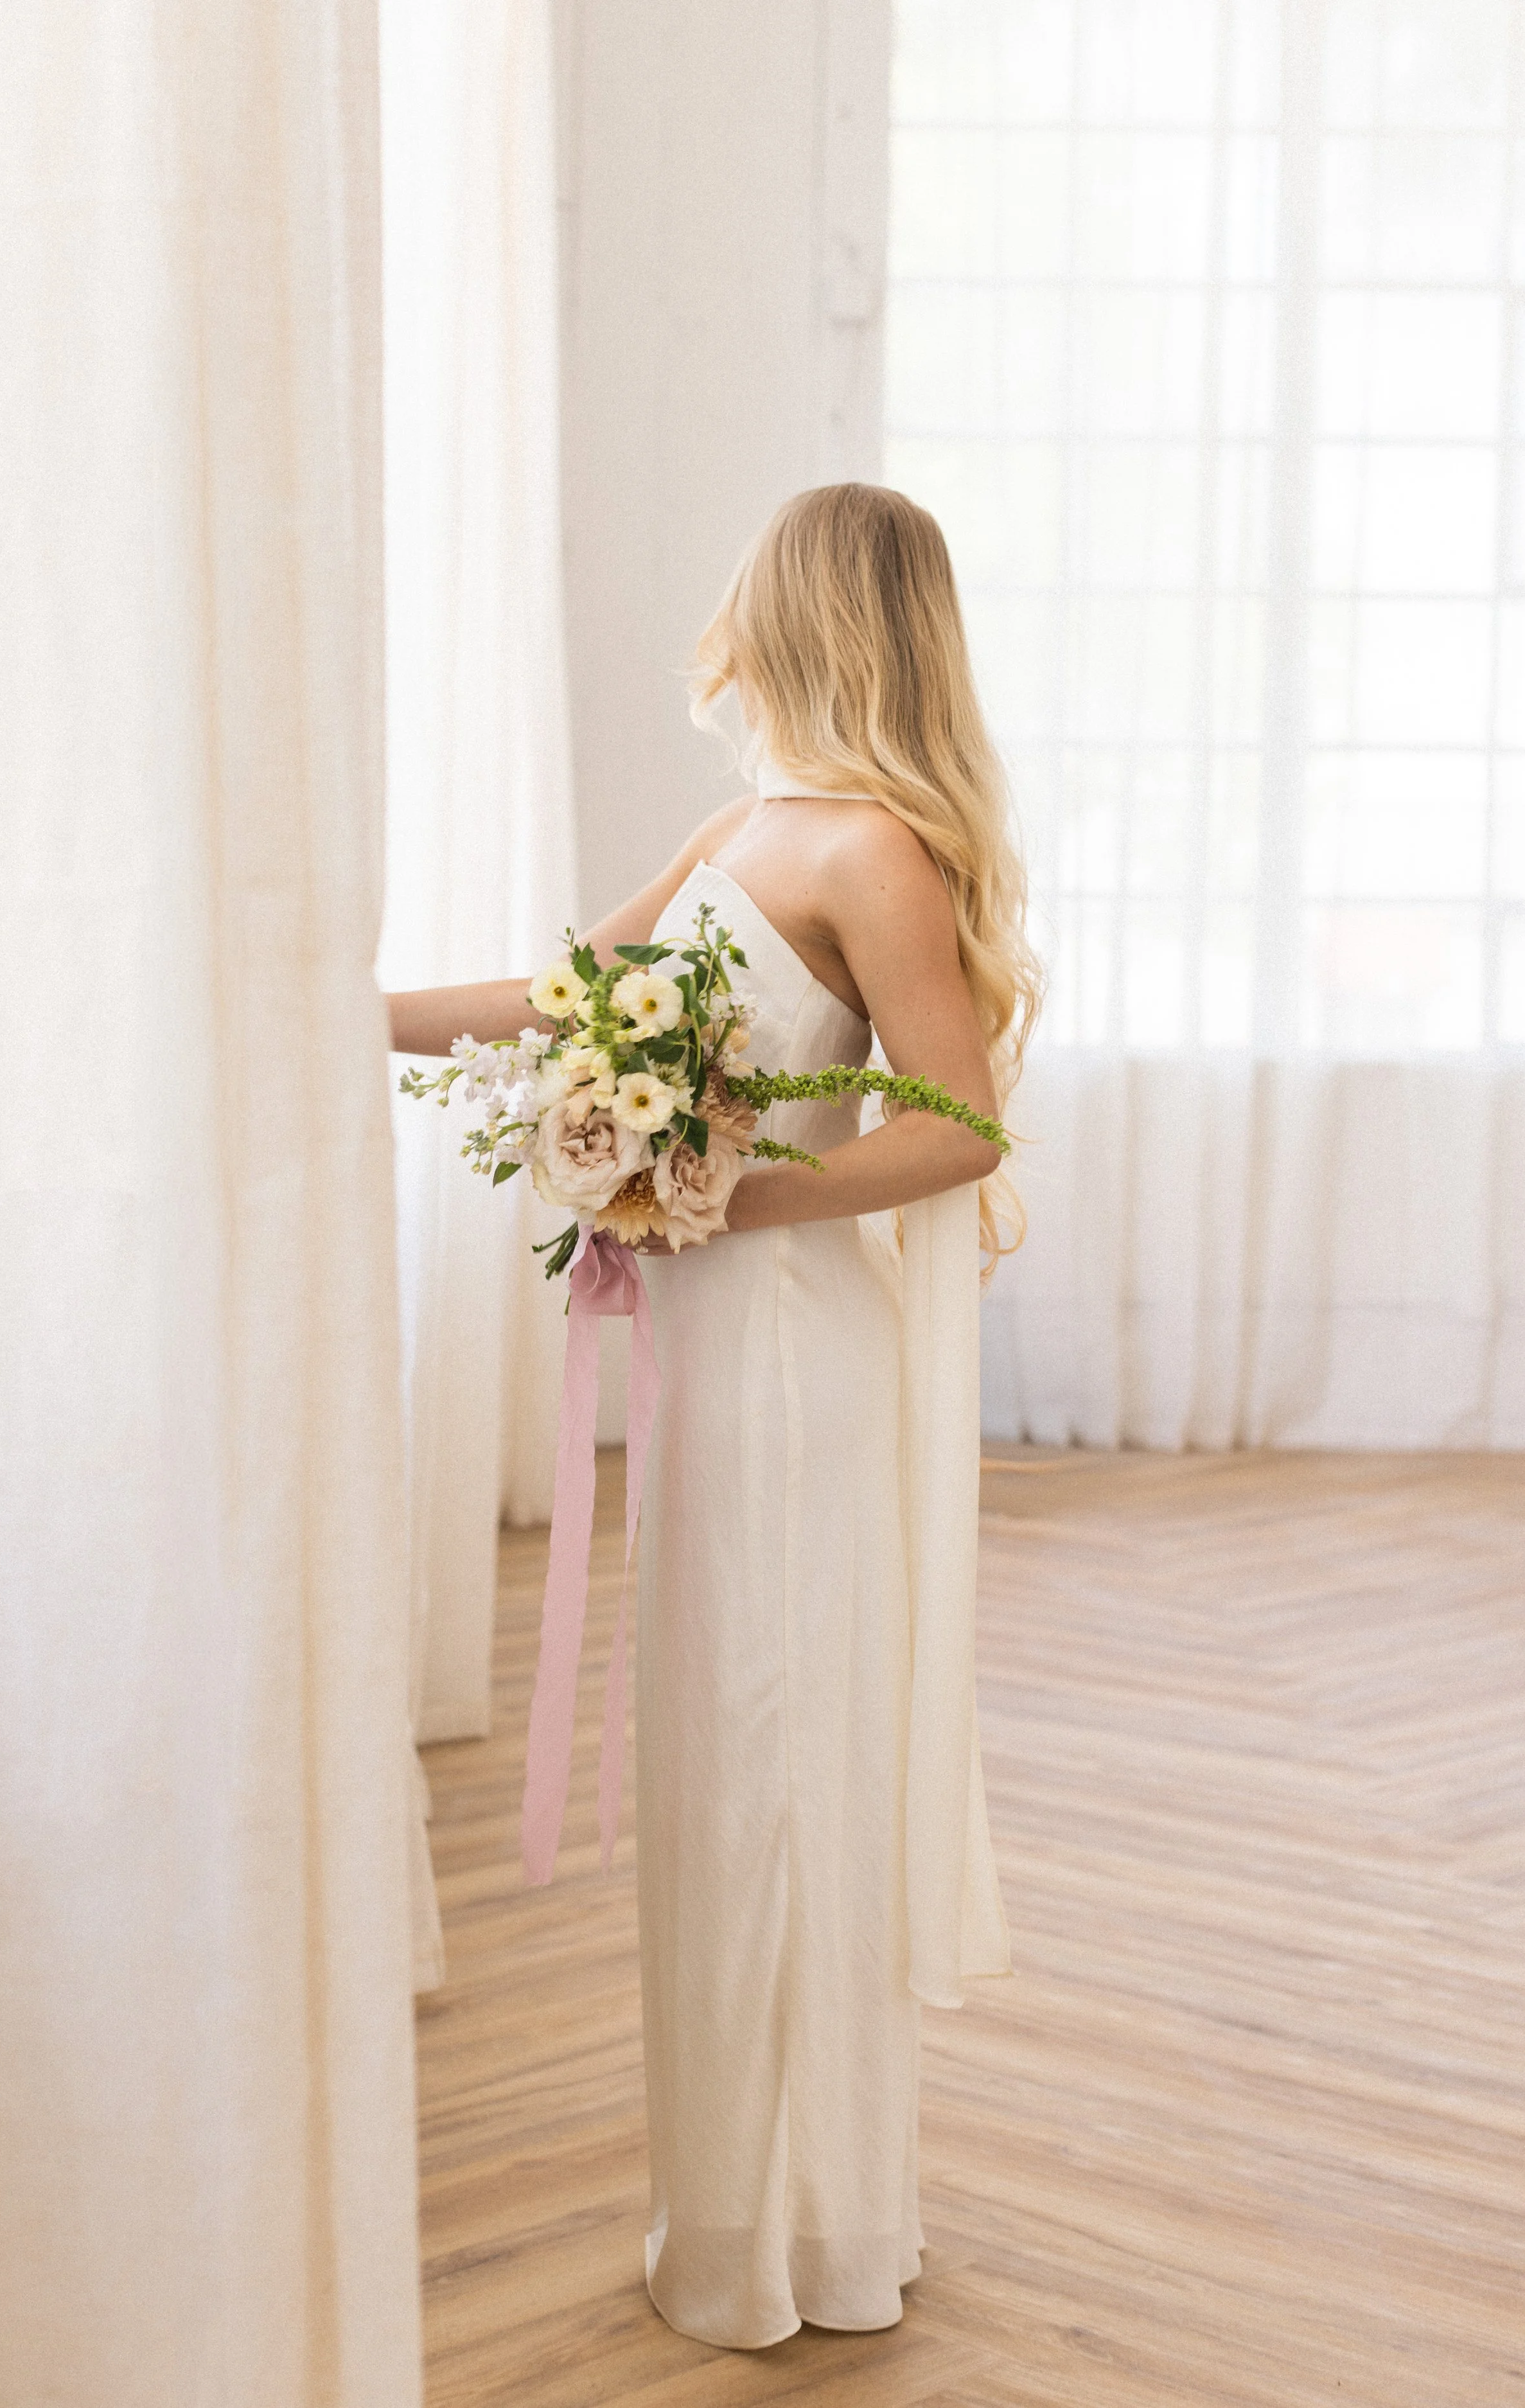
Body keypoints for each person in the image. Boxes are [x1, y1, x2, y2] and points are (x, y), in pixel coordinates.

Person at [387, 482, 1043, 2350]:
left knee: (780, 1764)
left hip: (790, 1356)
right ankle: (736, 2217)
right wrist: (350, 1014)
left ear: (807, 611)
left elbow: (958, 1119)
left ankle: (809, 2229)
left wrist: (744, 1190)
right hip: (710, 1363)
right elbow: (569, 994)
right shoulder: (749, 822)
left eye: (749, 588)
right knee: (720, 1763)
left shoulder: (874, 854)